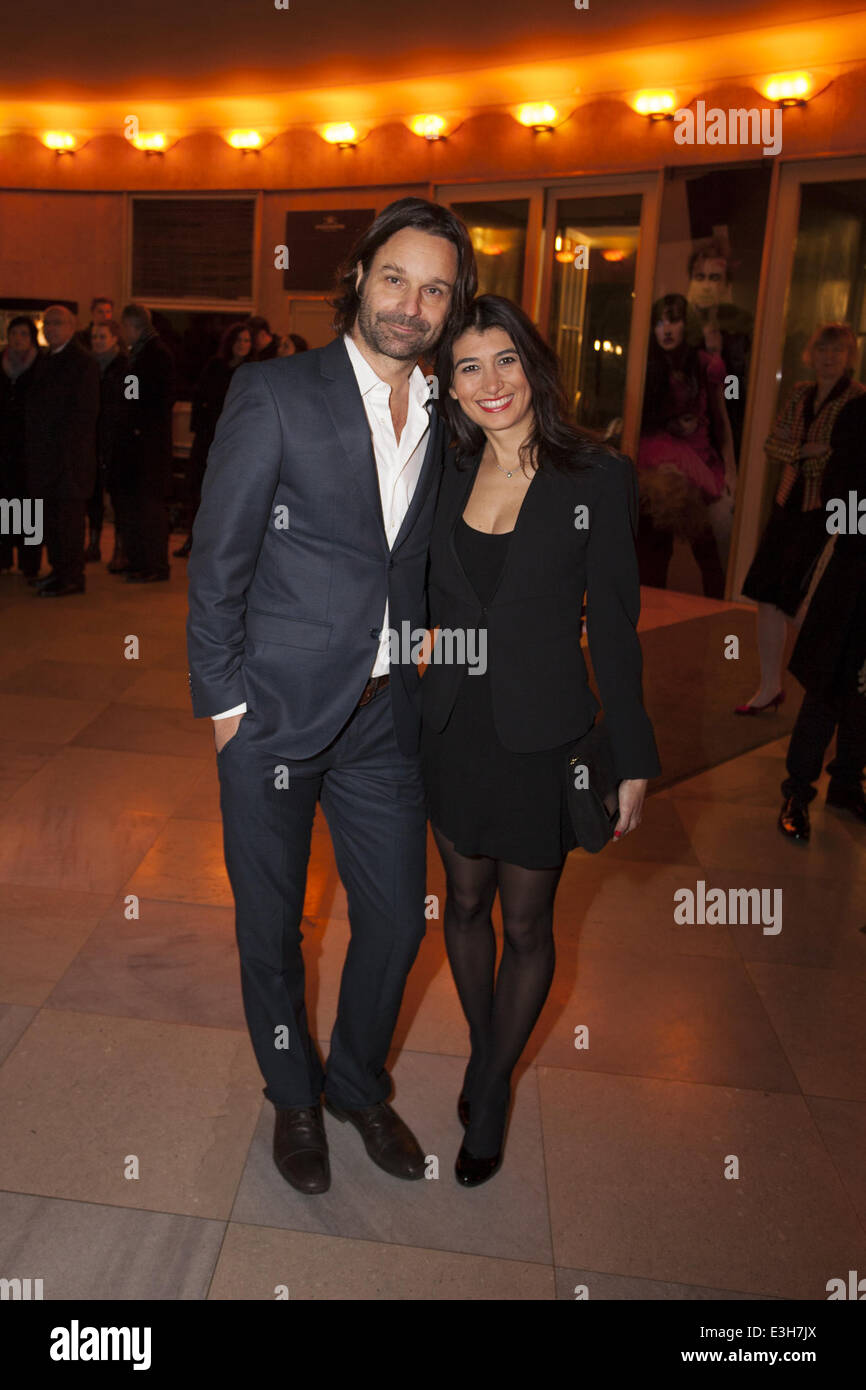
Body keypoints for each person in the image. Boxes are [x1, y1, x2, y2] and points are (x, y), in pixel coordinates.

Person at [186, 197, 477, 1196]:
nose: (411, 303)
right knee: (271, 930)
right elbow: (216, 563)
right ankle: (292, 1097)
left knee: (396, 921)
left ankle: (354, 1082)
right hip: (269, 714)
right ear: (358, 276)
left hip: (382, 718)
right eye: (394, 278)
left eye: (434, 288)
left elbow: (426, 553)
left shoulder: (447, 411)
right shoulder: (275, 393)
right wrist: (224, 707)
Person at [421, 294, 660, 1185]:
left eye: (506, 361)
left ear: (535, 366)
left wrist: (631, 755)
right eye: (469, 367)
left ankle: (491, 1083)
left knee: (526, 923)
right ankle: (493, 1057)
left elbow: (621, 629)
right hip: (448, 728)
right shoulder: (441, 474)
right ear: (449, 386)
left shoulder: (596, 476)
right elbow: (419, 596)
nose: (491, 383)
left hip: (540, 737)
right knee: (465, 904)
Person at [737, 323, 864, 714]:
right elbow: (771, 442)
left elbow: (846, 454)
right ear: (812, 354)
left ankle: (832, 682)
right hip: (788, 501)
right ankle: (770, 686)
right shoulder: (799, 393)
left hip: (828, 508)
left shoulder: (857, 399)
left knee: (802, 600)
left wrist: (810, 450)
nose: (829, 358)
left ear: (849, 358)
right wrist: (806, 450)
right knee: (766, 594)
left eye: (837, 351)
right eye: (823, 350)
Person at [777, 391, 866, 840]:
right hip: (855, 573)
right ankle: (797, 790)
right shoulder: (859, 413)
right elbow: (839, 498)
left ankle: (849, 782)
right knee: (828, 685)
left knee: (863, 692)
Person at [635, 293, 736, 598]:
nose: (666, 329)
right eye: (660, 322)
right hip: (656, 460)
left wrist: (732, 469)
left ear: (686, 324)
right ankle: (648, 612)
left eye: (674, 321)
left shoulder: (707, 365)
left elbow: (722, 419)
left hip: (699, 457)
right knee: (654, 540)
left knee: (710, 549)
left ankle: (717, 615)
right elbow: (638, 420)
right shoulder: (646, 363)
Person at [24, 305, 100, 597]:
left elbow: (83, 413)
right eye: (47, 324)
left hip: (68, 458)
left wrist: (63, 450)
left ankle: (71, 576)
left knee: (68, 521)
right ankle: (58, 570)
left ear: (72, 326)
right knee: (52, 520)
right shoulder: (46, 358)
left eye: (58, 323)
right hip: (46, 456)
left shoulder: (82, 362)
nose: (51, 328)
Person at [174, 322, 252, 558]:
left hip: (237, 442)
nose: (242, 345)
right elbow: (201, 398)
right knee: (198, 490)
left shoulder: (253, 370)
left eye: (247, 341)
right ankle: (194, 538)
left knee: (228, 495)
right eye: (238, 340)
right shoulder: (215, 366)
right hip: (208, 438)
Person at [117, 304, 175, 582]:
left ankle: (153, 564)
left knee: (149, 507)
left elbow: (147, 401)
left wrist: (136, 426)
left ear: (132, 325)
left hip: (147, 446)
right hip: (142, 443)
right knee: (139, 506)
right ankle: (140, 560)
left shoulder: (152, 356)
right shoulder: (144, 354)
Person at [685, 239, 752, 464]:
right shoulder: (676, 328)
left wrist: (721, 359)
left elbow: (737, 398)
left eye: (714, 278)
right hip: (680, 443)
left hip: (722, 442)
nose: (705, 286)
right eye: (699, 277)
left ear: (726, 285)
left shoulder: (739, 332)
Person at [0, 316, 42, 580]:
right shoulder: (0, 364)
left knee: (29, 507)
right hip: (3, 448)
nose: (18, 339)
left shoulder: (41, 366)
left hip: (31, 448)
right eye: (14, 333)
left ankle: (30, 562)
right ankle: (4, 557)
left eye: (24, 334)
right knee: (5, 505)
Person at [90, 319, 130, 572]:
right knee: (93, 494)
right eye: (94, 337)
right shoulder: (88, 367)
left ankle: (120, 548)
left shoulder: (127, 368)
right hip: (92, 438)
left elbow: (132, 401)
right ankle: (93, 543)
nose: (97, 341)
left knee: (118, 498)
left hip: (117, 439)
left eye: (102, 337)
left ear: (115, 339)